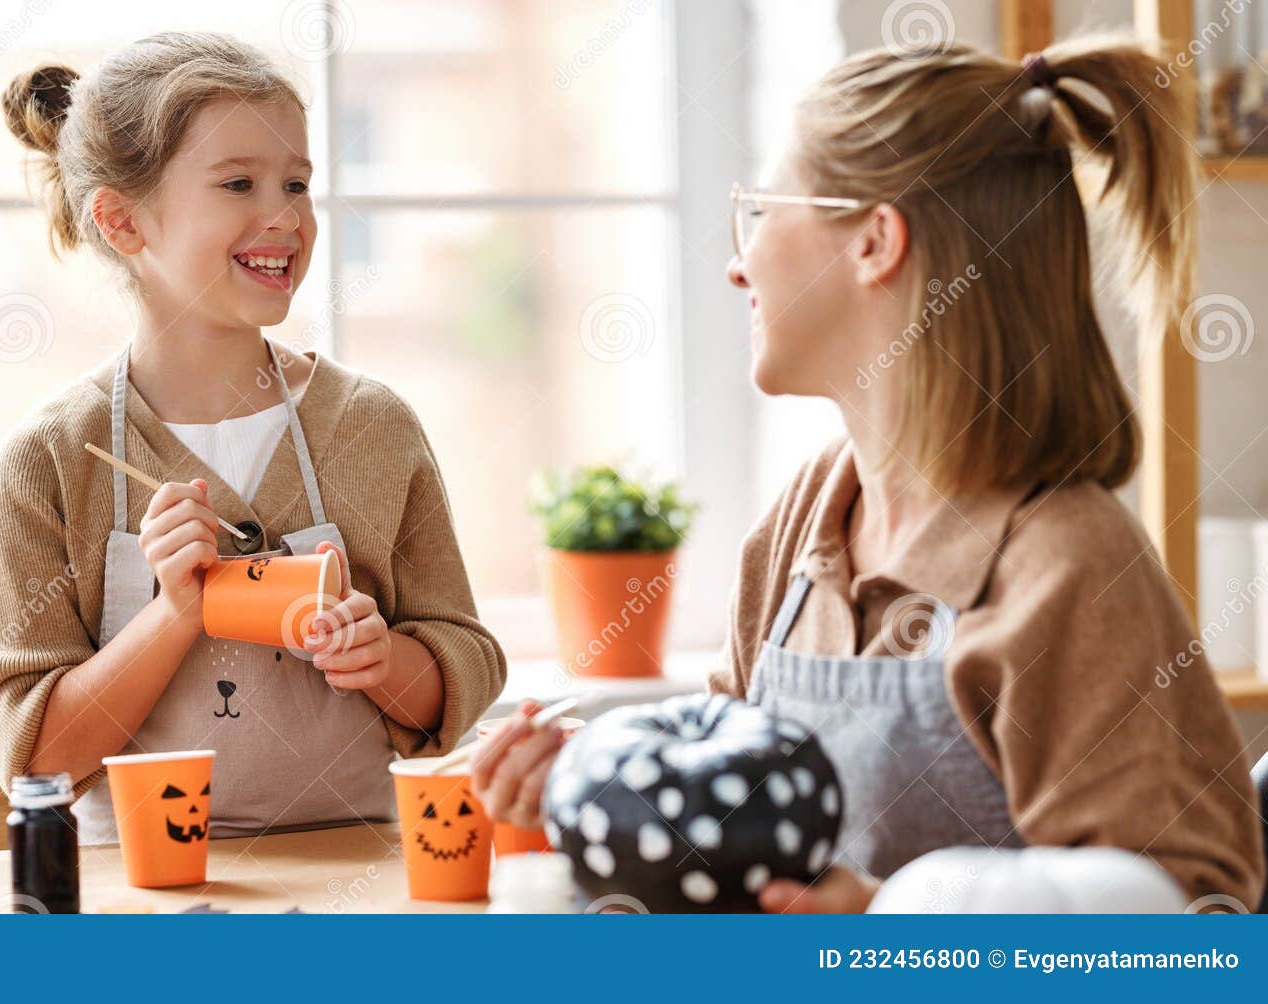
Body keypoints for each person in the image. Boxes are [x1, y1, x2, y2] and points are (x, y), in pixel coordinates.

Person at [473, 35, 1264, 912]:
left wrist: (886, 924)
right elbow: (721, 844)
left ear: (875, 241)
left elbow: (1199, 931)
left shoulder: (1069, 568)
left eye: (763, 211)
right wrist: (591, 799)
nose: (737, 262)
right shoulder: (804, 521)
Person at [0, 32, 505, 843]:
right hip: (145, 901)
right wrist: (173, 613)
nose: (283, 218)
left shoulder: (372, 427)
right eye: (238, 183)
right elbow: (32, 757)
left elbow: (467, 662)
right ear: (122, 221)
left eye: (298, 183)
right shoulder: (50, 461)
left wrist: (384, 660)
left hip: (366, 873)